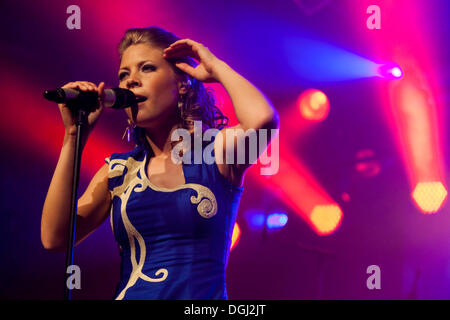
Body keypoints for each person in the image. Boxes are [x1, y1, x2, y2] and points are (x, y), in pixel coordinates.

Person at [41, 26, 279, 300]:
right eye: (123, 75)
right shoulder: (119, 171)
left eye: (146, 68)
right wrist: (73, 137)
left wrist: (215, 67)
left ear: (182, 82)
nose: (130, 81)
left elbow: (262, 121)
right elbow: (54, 237)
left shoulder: (217, 152)